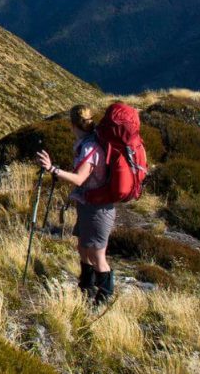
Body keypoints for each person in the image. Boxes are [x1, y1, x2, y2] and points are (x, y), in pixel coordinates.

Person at [35, 105, 115, 304]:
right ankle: (86, 287)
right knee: (83, 247)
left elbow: (80, 179)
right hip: (90, 205)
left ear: (72, 125)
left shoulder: (89, 147)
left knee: (97, 255)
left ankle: (104, 297)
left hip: (98, 208)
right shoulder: (90, 141)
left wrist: (53, 169)